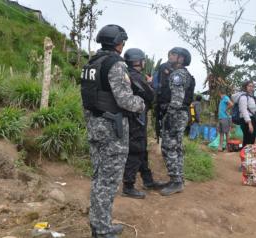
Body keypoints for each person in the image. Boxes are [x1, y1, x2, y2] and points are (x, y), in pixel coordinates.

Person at [81, 25, 145, 238]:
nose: (123, 44)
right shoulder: (116, 64)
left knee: (99, 177)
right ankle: (102, 230)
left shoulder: (91, 63)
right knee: (107, 182)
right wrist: (141, 103)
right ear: (119, 43)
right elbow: (125, 100)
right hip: (112, 129)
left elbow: (90, 98)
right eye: (122, 41)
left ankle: (100, 223)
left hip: (95, 125)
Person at [122, 48, 167, 199]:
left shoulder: (126, 74)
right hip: (136, 118)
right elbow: (151, 95)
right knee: (136, 149)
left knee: (141, 148)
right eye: (142, 60)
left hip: (132, 117)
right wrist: (151, 84)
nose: (143, 62)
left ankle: (148, 180)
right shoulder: (135, 76)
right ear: (137, 61)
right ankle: (128, 185)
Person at [158, 47, 195, 196]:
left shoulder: (177, 75)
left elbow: (177, 100)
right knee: (177, 147)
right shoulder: (185, 74)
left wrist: (170, 116)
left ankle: (176, 181)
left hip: (176, 114)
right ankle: (178, 178)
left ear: (181, 59)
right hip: (182, 114)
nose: (170, 56)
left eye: (173, 54)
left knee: (169, 147)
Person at [232, 81, 256, 147]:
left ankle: (247, 155)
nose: (251, 88)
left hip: (251, 119)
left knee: (250, 140)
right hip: (247, 120)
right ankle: (246, 155)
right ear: (245, 87)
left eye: (252, 86)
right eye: (249, 86)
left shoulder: (250, 97)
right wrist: (249, 123)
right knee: (248, 141)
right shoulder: (243, 97)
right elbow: (244, 110)